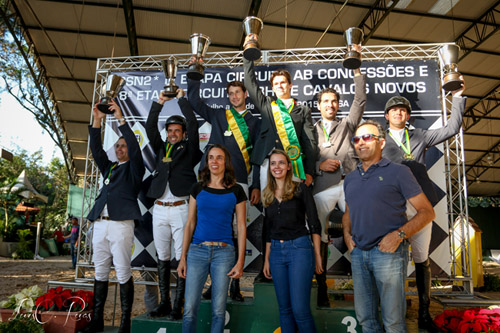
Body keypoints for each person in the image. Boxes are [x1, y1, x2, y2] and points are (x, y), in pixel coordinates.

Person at [382, 78, 466, 332]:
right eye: (395, 109)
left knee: (421, 259)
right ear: (387, 116)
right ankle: (391, 312)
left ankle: (424, 315)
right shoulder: (377, 140)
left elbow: (452, 128)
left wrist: (459, 97)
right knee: (390, 260)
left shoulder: (420, 135)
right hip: (392, 206)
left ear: (407, 115)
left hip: (420, 206)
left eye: (403, 110)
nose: (399, 112)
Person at [342, 120, 435, 332]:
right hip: (358, 255)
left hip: (389, 254)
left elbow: (427, 212)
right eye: (357, 139)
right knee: (366, 321)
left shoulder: (399, 172)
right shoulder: (350, 178)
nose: (361, 143)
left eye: (368, 137)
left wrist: (399, 235)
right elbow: (349, 212)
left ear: (382, 143)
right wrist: (347, 235)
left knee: (393, 323)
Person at [188, 72, 261, 301]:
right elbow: (194, 101)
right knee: (214, 231)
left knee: (238, 231)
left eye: (237, 92)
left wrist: (256, 184)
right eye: (230, 93)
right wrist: (194, 76)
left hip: (238, 181)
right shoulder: (220, 114)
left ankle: (235, 284)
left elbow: (258, 156)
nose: (233, 96)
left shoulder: (255, 121)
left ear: (246, 95)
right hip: (212, 183)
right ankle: (214, 283)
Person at [79, 100, 145, 333]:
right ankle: (97, 319)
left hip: (121, 225)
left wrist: (120, 119)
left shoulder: (136, 168)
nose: (120, 149)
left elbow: (136, 150)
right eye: (117, 146)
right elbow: (96, 150)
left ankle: (125, 322)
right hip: (100, 223)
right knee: (100, 272)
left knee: (123, 271)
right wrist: (97, 120)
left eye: (124, 146)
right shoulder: (110, 168)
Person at [312, 46, 366, 307]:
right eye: (325, 101)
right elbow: (302, 158)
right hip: (322, 188)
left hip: (350, 184)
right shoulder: (310, 130)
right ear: (319, 106)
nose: (330, 105)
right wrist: (319, 167)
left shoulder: (348, 124)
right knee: (319, 234)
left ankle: (365, 286)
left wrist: (357, 71)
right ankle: (321, 289)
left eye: (334, 101)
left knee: (360, 228)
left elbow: (360, 101)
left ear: (338, 105)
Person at [145, 88, 203, 319]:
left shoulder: (189, 149)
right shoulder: (161, 148)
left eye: (177, 131)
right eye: (170, 130)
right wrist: (159, 102)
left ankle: (179, 304)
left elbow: (194, 124)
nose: (172, 134)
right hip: (159, 208)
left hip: (181, 207)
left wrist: (181, 100)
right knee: (162, 257)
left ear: (184, 134)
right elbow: (150, 128)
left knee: (182, 256)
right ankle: (165, 304)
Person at [177, 144, 247, 333]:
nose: (214, 161)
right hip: (197, 251)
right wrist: (183, 257)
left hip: (224, 253)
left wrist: (240, 261)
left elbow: (241, 227)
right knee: (190, 308)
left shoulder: (237, 190)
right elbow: (190, 223)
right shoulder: (197, 188)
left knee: (218, 310)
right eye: (211, 158)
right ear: (206, 162)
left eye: (219, 158)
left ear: (226, 162)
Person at [262, 149, 322, 333]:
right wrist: (266, 259)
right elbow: (268, 231)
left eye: (281, 163)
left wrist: (318, 256)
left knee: (300, 310)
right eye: (273, 163)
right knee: (285, 310)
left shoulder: (300, 189)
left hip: (300, 249)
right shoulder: (268, 194)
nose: (277, 167)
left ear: (289, 166)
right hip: (277, 254)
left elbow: (314, 223)